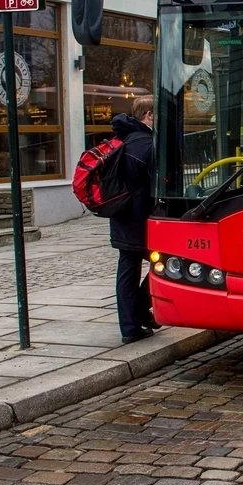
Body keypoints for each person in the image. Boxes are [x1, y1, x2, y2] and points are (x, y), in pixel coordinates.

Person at [109, 96, 160, 344]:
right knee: (169, 263)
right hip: (140, 219)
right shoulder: (146, 145)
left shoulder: (125, 139)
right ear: (149, 115)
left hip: (123, 216)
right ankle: (133, 322)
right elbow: (157, 184)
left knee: (129, 270)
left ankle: (135, 318)